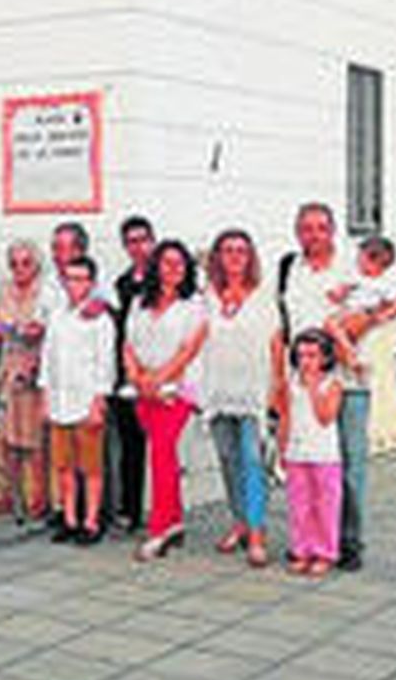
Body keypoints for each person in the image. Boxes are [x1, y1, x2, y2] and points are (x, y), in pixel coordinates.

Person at [273, 201, 372, 571]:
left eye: (320, 227)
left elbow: (367, 317)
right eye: (306, 228)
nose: (313, 234)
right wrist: (281, 378)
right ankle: (308, 541)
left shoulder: (351, 269)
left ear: (332, 230)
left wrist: (335, 346)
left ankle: (347, 542)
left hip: (344, 380)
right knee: (302, 465)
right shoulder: (289, 268)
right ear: (297, 232)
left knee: (346, 465)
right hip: (300, 383)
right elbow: (282, 326)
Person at [124, 239, 207, 562]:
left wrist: (159, 380)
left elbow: (189, 349)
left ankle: (158, 529)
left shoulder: (194, 305)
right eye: (166, 262)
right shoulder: (139, 302)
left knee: (159, 452)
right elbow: (128, 344)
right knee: (164, 456)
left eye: (179, 263)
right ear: (155, 266)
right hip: (143, 388)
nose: (173, 269)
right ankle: (173, 522)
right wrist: (136, 377)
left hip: (178, 389)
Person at [201, 228, 278, 567]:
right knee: (228, 461)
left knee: (252, 461)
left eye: (241, 251)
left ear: (250, 258)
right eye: (227, 250)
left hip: (252, 393)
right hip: (218, 391)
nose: (234, 257)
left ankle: (258, 532)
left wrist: (277, 390)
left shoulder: (262, 295)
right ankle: (240, 522)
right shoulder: (208, 297)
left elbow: (276, 344)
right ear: (217, 257)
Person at [37, 255, 115, 545]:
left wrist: (99, 400)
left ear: (92, 283)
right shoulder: (57, 316)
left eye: (81, 279)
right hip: (59, 400)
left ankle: (91, 521)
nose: (75, 285)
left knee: (90, 467)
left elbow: (105, 362)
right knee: (64, 466)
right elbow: (48, 358)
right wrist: (45, 396)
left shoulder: (100, 319)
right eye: (69, 278)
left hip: (86, 401)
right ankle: (69, 518)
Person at [0, 240, 49, 521]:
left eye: (26, 263)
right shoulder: (3, 290)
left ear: (36, 265)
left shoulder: (46, 291)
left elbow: (51, 328)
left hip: (35, 366)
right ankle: (5, 494)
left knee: (33, 440)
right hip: (8, 365)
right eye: (14, 263)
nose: (19, 269)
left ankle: (36, 498)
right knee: (5, 437)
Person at [277, 329, 342, 577]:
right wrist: (282, 447)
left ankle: (325, 552)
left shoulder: (332, 384)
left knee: (325, 505)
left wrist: (314, 388)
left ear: (325, 358)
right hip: (297, 452)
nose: (306, 361)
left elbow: (326, 418)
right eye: (301, 355)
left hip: (324, 456)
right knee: (299, 505)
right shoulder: (290, 383)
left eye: (313, 355)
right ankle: (302, 549)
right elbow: (285, 416)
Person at [110, 215, 156, 531]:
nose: (138, 247)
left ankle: (164, 511)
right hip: (127, 372)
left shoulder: (168, 277)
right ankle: (130, 509)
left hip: (161, 372)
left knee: (163, 446)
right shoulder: (121, 284)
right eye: (131, 241)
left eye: (143, 239)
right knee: (130, 444)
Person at [323, 235, 396, 373]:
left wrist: (385, 315)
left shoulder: (383, 283)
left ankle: (350, 353)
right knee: (333, 333)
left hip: (364, 314)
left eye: (361, 260)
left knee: (333, 326)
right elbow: (337, 294)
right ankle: (352, 361)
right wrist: (338, 293)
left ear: (378, 263)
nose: (358, 264)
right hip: (347, 312)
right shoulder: (355, 277)